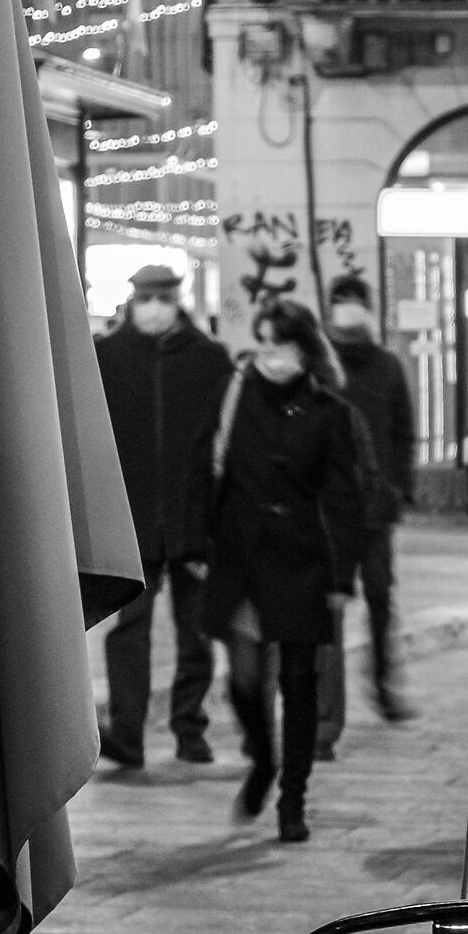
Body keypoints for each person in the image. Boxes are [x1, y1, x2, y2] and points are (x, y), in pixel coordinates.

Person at [185, 299, 363, 844]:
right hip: (240, 556)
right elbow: (200, 465)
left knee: (299, 682)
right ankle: (263, 758)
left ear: (305, 350)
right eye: (262, 345)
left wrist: (340, 577)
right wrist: (196, 541)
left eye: (280, 346)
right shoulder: (234, 395)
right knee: (242, 679)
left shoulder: (329, 412)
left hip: (303, 558)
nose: (270, 357)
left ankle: (293, 798)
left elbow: (344, 498)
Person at [93, 261, 232, 767]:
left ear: (177, 300)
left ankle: (189, 727)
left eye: (163, 297)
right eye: (146, 297)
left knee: (196, 628)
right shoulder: (104, 358)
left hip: (195, 518)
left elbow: (226, 441)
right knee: (129, 627)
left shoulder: (210, 359)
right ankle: (127, 735)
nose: (154, 307)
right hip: (129, 520)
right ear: (133, 300)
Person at [316, 273, 417, 749]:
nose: (349, 309)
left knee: (379, 600)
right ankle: (324, 717)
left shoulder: (386, 366)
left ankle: (383, 688)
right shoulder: (317, 367)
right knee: (327, 611)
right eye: (341, 302)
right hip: (326, 511)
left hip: (376, 509)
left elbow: (403, 432)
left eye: (356, 301)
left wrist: (400, 488)